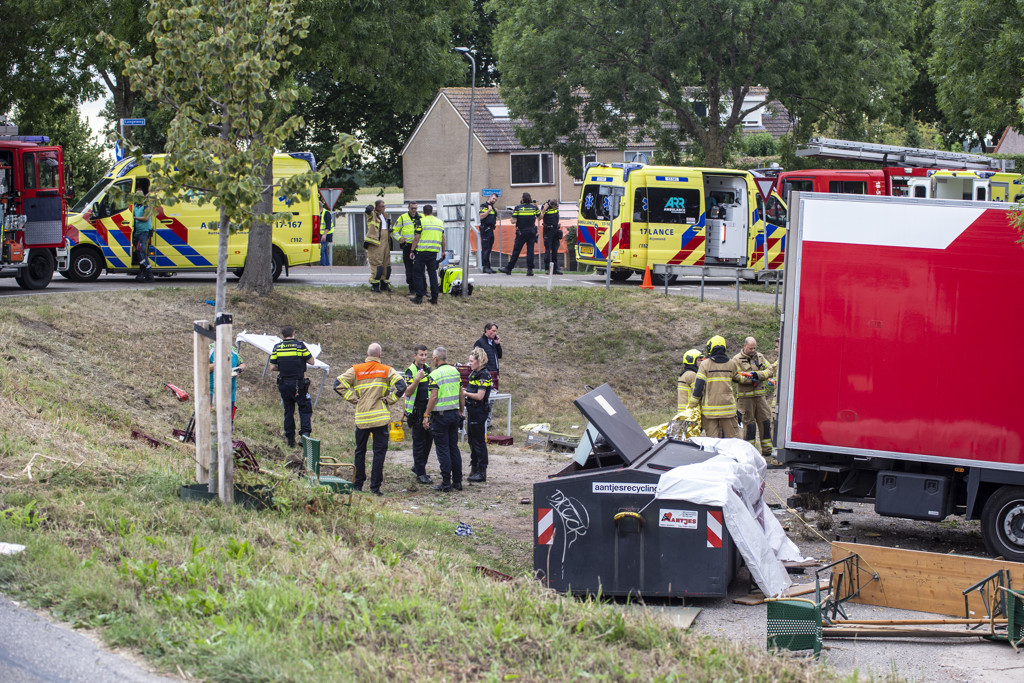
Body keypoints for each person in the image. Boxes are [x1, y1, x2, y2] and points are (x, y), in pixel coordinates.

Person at [334, 343, 407, 495]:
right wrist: (389, 399)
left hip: (362, 419)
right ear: (380, 355)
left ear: (367, 354)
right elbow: (402, 386)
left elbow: (337, 384)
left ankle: (358, 484)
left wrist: (353, 398)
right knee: (379, 453)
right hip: (380, 418)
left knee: (360, 451)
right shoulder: (386, 370)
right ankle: (375, 488)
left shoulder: (356, 370)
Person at [423, 346, 464, 492]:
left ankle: (446, 482)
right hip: (454, 414)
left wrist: (426, 415)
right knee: (454, 448)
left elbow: (433, 396)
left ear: (435, 359)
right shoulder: (455, 371)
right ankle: (458, 481)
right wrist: (461, 410)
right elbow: (461, 393)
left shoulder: (434, 374)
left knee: (443, 449)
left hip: (440, 416)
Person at [688, 335, 743, 439]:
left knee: (712, 442)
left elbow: (698, 387)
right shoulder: (732, 364)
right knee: (733, 440)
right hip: (728, 411)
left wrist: (692, 404)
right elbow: (737, 377)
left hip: (710, 412)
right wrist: (757, 377)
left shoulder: (705, 364)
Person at [269, 326, 315, 447]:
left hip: (284, 383)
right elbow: (312, 362)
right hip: (298, 383)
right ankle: (304, 434)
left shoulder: (277, 347)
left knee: (288, 410)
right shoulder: (300, 346)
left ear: (283, 335)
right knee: (304, 408)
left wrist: (283, 368)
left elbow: (272, 367)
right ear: (293, 334)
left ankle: (290, 439)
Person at [734, 336, 776, 458]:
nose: (753, 350)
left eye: (754, 348)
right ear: (744, 346)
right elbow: (735, 376)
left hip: (760, 396)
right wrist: (749, 380)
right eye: (751, 348)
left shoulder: (760, 356)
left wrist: (758, 376)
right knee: (749, 424)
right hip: (745, 399)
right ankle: (749, 453)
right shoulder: (736, 359)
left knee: (765, 421)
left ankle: (767, 451)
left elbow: (770, 370)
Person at [403, 344, 434, 485]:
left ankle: (418, 467)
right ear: (415, 356)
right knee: (419, 443)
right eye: (421, 355)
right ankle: (421, 473)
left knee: (428, 441)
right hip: (416, 411)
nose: (424, 357)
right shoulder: (410, 371)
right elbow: (408, 392)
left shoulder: (428, 368)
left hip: (428, 409)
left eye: (426, 355)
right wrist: (417, 379)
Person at [463, 347, 493, 483]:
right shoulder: (473, 374)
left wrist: (465, 393)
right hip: (471, 410)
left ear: (479, 361)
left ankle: (481, 470)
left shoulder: (484, 375)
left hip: (479, 410)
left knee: (478, 441)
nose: (469, 364)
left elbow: (480, 396)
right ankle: (474, 467)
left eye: (471, 361)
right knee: (471, 439)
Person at [410, 204, 444, 305]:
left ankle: (419, 297)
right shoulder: (439, 222)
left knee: (418, 273)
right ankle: (434, 298)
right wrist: (443, 251)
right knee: (432, 274)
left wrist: (412, 250)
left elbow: (417, 236)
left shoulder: (421, 221)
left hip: (422, 252)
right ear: (432, 211)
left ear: (423, 212)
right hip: (433, 252)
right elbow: (443, 238)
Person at [502, 192, 540, 276]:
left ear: (522, 199)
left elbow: (513, 221)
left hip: (521, 232)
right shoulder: (534, 208)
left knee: (516, 250)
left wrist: (515, 217)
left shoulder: (518, 208)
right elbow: (540, 217)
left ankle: (509, 268)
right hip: (532, 232)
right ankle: (530, 270)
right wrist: (536, 205)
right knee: (530, 251)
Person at [209, 343, 246, 421]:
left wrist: (239, 369)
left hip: (230, 395)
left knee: (227, 425)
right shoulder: (211, 348)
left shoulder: (233, 349)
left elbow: (242, 364)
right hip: (213, 393)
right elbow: (203, 367)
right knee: (211, 423)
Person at [365, 200, 393, 292]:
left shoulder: (384, 216)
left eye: (384, 206)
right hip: (375, 243)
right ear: (376, 207)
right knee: (377, 264)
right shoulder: (372, 215)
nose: (383, 208)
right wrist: (372, 205)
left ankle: (384, 284)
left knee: (386, 264)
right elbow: (368, 210)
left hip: (385, 242)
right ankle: (375, 285)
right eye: (381, 206)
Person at [393, 201, 421, 292]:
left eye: (415, 208)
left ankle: (420, 287)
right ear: (408, 208)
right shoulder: (402, 217)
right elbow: (394, 230)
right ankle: (411, 288)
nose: (413, 210)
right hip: (408, 246)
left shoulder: (421, 217)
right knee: (409, 267)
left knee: (420, 267)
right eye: (412, 208)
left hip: (419, 246)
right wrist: (400, 238)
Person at [132, 184, 154, 282]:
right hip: (138, 231)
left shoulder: (146, 205)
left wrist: (134, 218)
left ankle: (148, 271)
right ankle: (145, 273)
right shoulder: (135, 206)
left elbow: (146, 218)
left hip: (145, 231)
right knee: (140, 252)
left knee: (140, 250)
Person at [676, 348, 702, 415]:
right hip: (690, 411)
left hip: (682, 411)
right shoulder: (692, 375)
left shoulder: (684, 374)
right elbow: (698, 392)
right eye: (699, 360)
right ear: (692, 361)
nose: (701, 362)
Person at [540, 198, 562, 274]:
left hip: (555, 230)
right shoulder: (545, 207)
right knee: (547, 250)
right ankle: (547, 269)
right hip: (548, 230)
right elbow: (540, 217)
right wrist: (544, 209)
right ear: (551, 205)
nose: (556, 208)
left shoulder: (556, 207)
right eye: (555, 206)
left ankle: (555, 269)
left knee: (555, 250)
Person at [478, 194, 498, 273]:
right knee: (485, 249)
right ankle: (485, 267)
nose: (494, 200)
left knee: (489, 249)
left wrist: (495, 212)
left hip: (491, 230)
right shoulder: (484, 206)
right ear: (490, 197)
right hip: (485, 229)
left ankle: (488, 266)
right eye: (493, 198)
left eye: (495, 200)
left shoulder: (492, 207)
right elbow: (481, 216)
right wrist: (488, 210)